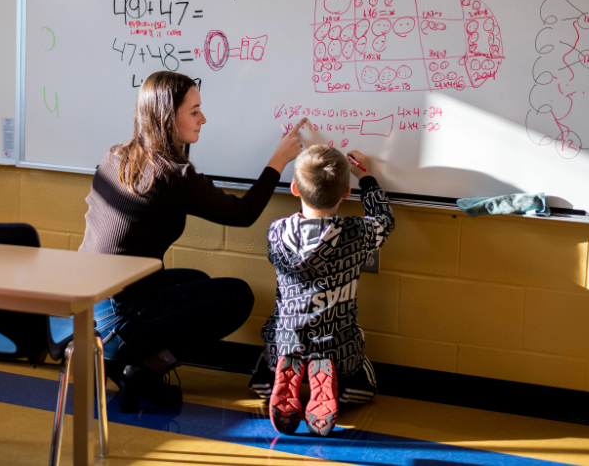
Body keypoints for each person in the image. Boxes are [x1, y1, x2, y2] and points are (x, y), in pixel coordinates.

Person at [79, 70, 307, 412]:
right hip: (118, 320)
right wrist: (278, 160)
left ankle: (127, 363)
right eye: (194, 111)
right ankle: (140, 368)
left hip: (88, 307)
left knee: (195, 281)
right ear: (168, 117)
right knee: (237, 296)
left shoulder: (115, 156)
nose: (203, 119)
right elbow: (242, 213)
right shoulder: (173, 175)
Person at [260, 145, 394, 437]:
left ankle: (278, 371)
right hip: (336, 342)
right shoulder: (355, 234)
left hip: (284, 338)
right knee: (366, 387)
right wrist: (368, 178)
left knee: (274, 348)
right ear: (346, 193)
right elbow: (385, 221)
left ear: (295, 188)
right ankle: (322, 370)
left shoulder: (276, 232)